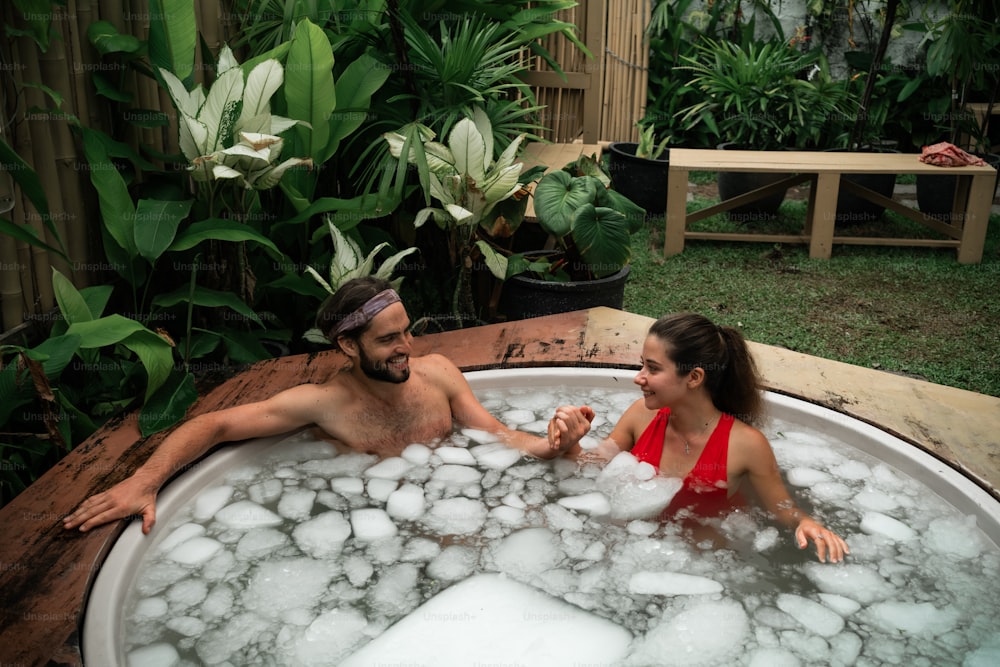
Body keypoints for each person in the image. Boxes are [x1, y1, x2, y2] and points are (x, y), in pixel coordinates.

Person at [64, 277, 592, 535]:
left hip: (461, 495)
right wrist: (145, 480)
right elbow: (217, 423)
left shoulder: (439, 375)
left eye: (407, 332)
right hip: (369, 522)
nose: (406, 348)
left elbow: (498, 437)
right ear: (347, 345)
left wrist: (554, 445)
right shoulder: (322, 404)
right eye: (388, 340)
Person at [550, 312, 850, 564]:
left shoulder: (746, 444)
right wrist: (570, 443)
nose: (638, 377)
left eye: (652, 368)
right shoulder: (642, 415)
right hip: (632, 548)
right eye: (643, 365)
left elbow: (781, 508)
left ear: (693, 377)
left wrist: (806, 523)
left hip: (700, 560)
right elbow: (594, 465)